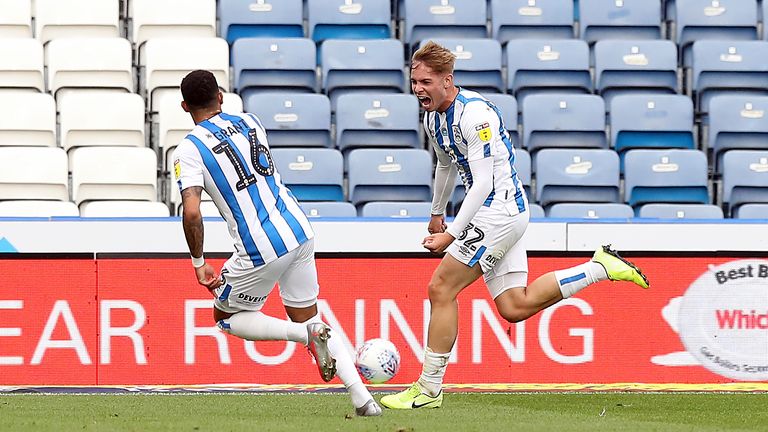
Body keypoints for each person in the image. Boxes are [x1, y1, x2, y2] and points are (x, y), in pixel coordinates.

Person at [379, 42, 650, 410]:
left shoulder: (475, 117)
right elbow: (445, 164)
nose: (418, 89)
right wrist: (436, 212)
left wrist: (451, 233)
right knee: (514, 307)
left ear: (448, 80)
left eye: (426, 81)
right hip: (495, 214)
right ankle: (600, 266)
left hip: (499, 213)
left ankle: (428, 389)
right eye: (414, 81)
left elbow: (484, 184)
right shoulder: (432, 117)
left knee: (441, 288)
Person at [173, 70, 381, 416]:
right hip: (298, 230)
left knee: (226, 317)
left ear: (184, 106)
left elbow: (191, 213)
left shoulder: (189, 150)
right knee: (309, 314)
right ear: (221, 97)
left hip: (260, 247)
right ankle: (364, 400)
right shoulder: (252, 122)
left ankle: (306, 337)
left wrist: (199, 263)